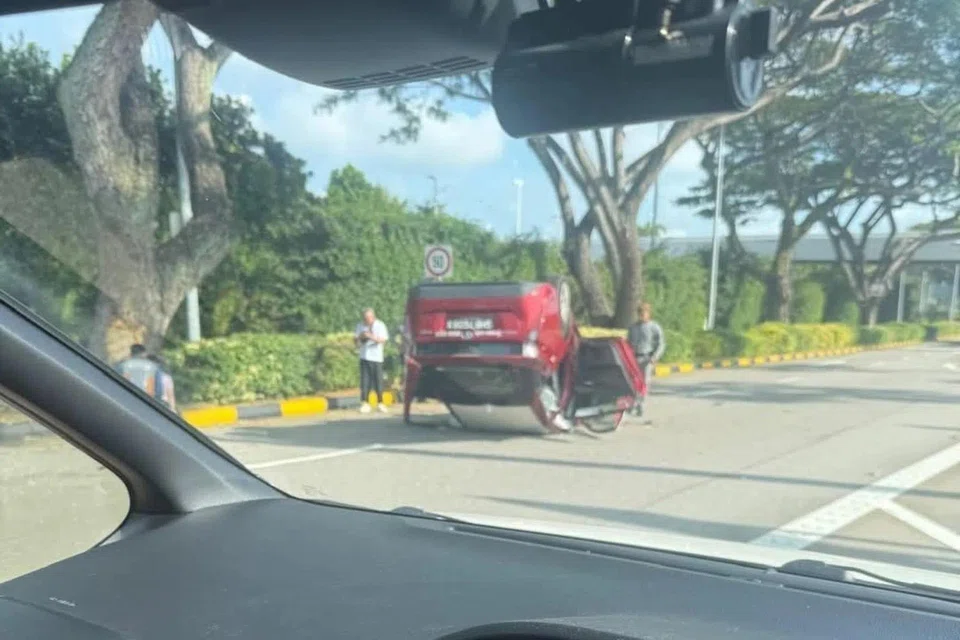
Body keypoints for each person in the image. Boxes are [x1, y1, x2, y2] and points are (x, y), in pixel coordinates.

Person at [626, 302, 665, 422]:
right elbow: (628, 343)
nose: (642, 315)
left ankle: (640, 404)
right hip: (634, 358)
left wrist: (655, 357)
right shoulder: (633, 328)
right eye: (640, 313)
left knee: (644, 383)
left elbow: (661, 343)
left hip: (647, 358)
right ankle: (633, 403)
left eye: (644, 313)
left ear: (649, 314)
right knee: (633, 382)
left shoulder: (654, 327)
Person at [354, 308, 389, 413]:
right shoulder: (360, 325)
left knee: (378, 381)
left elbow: (383, 339)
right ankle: (365, 402)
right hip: (364, 356)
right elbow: (355, 340)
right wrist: (361, 336)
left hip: (377, 357)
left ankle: (380, 403)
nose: (366, 320)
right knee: (365, 381)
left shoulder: (380, 325)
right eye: (365, 318)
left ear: (373, 317)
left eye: (368, 317)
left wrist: (371, 336)